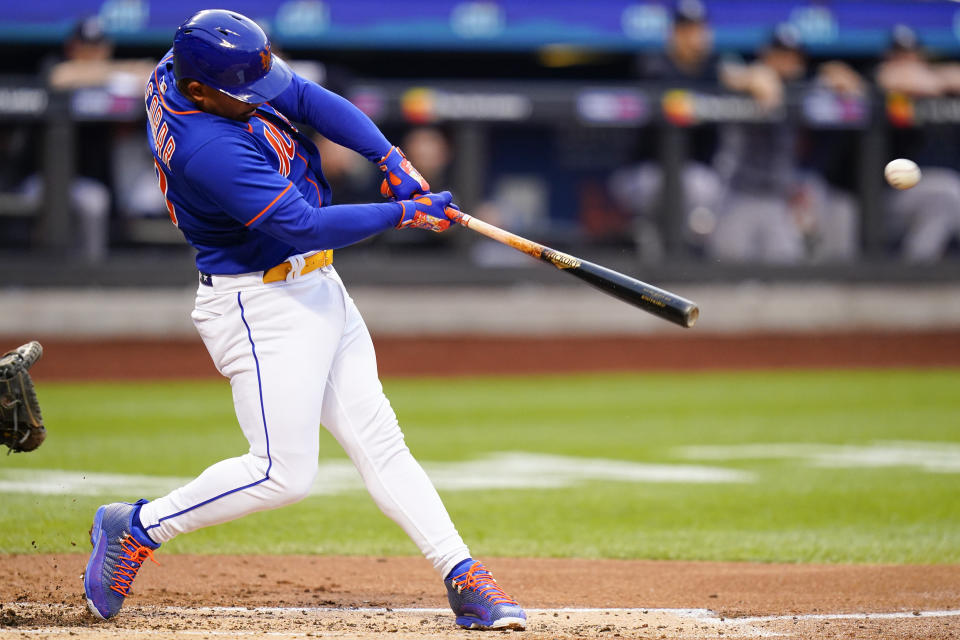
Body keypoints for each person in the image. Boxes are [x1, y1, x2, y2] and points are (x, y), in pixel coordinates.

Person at [81, 9, 525, 632]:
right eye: (244, 95)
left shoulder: (194, 66)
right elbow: (302, 227)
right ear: (202, 91)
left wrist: (387, 154)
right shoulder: (207, 148)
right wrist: (402, 212)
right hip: (260, 308)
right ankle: (136, 527)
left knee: (382, 444)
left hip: (318, 287)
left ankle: (463, 576)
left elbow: (306, 97)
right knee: (281, 474)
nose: (261, 98)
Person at [609, 0, 724, 259]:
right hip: (642, 174)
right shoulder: (653, 64)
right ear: (673, 33)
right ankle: (649, 233)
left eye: (698, 29)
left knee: (702, 185)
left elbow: (736, 75)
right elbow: (671, 92)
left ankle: (686, 246)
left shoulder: (714, 69)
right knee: (678, 185)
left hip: (694, 176)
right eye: (685, 30)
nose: (693, 37)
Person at [876, 25, 960, 262]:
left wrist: (934, 80)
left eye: (910, 55)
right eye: (899, 55)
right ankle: (916, 273)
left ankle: (917, 270)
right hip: (893, 197)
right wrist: (931, 82)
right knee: (948, 193)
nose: (906, 61)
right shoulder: (889, 90)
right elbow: (891, 78)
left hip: (942, 193)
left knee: (943, 201)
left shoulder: (943, 87)